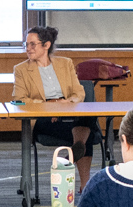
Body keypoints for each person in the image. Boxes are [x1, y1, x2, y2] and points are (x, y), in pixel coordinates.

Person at [11, 26, 92, 188]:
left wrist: (66, 105)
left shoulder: (65, 63)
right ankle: (85, 183)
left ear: (46, 45)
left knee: (88, 116)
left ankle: (78, 148)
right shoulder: (21, 70)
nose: (28, 48)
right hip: (44, 119)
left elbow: (79, 93)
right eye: (26, 44)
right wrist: (49, 106)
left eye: (32, 44)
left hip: (69, 114)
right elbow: (20, 100)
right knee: (87, 134)